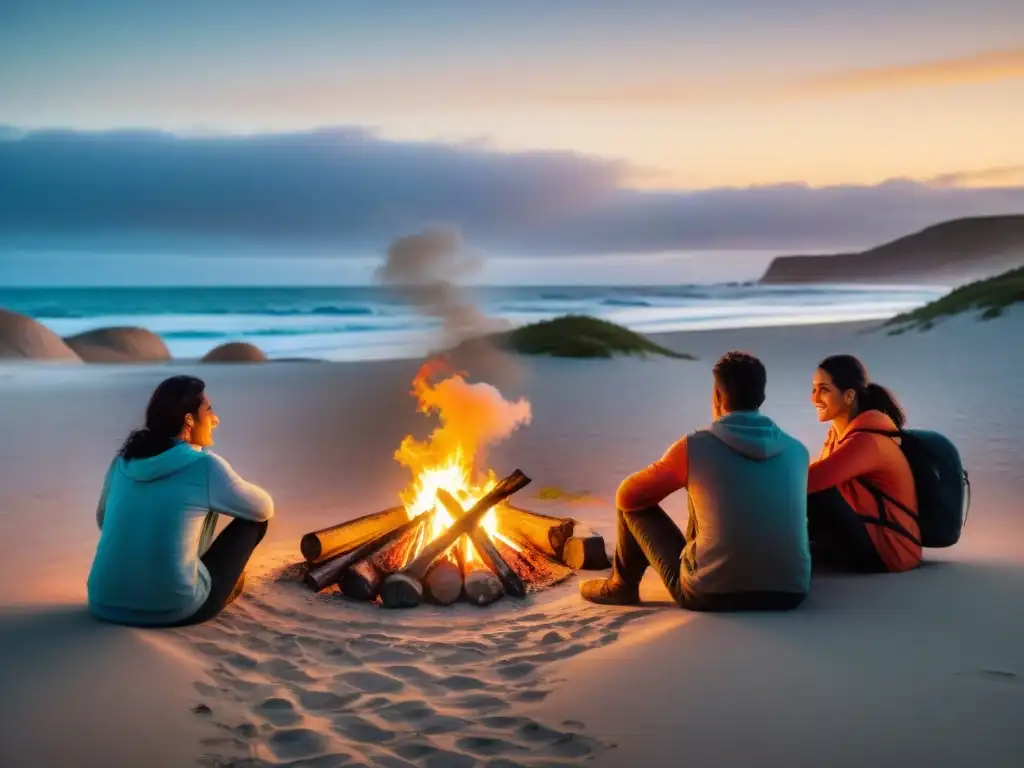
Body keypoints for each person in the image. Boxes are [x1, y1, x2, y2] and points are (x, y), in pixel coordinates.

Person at [580, 351, 811, 609]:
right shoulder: (797, 451)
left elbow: (627, 496)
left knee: (632, 503)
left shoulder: (695, 446)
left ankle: (620, 586)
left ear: (717, 396)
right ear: (762, 397)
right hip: (791, 592)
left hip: (710, 593)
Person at [87, 375, 274, 627]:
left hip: (103, 602)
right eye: (209, 411)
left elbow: (103, 518)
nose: (215, 419)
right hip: (173, 608)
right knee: (255, 521)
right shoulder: (204, 465)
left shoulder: (123, 461)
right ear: (189, 419)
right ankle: (219, 586)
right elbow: (263, 508)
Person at [808, 355, 920, 573]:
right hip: (866, 534)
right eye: (813, 389)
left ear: (849, 395)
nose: (814, 398)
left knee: (816, 494)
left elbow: (811, 481)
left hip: (891, 551)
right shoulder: (837, 435)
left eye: (824, 389)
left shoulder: (866, 442)